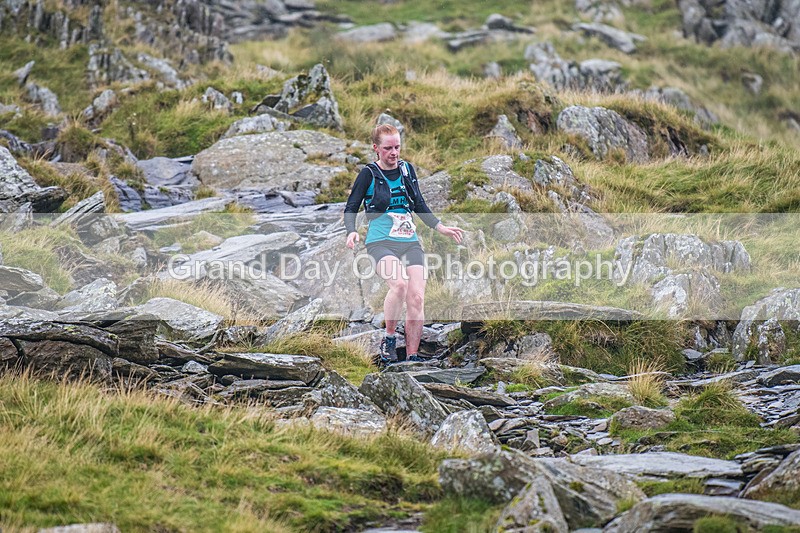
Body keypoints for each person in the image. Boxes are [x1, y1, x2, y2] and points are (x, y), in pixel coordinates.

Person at [344, 124, 464, 365]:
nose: (394, 153)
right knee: (399, 285)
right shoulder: (369, 174)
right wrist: (352, 231)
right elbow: (351, 206)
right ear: (376, 148)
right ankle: (389, 339)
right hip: (380, 242)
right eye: (388, 148)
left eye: (397, 147)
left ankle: (412, 356)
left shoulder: (407, 170)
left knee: (417, 298)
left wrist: (440, 227)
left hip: (409, 243)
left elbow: (418, 203)